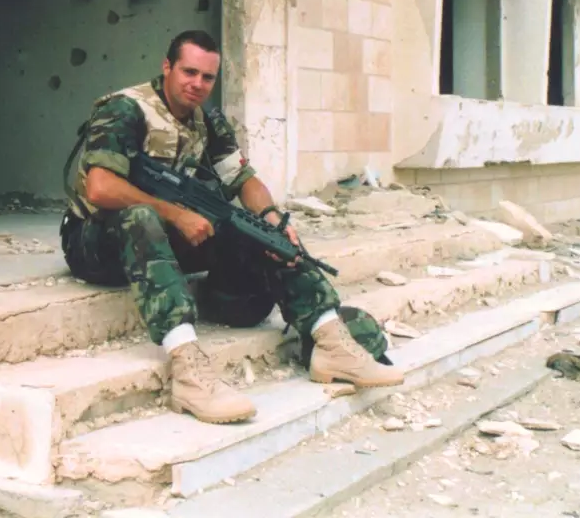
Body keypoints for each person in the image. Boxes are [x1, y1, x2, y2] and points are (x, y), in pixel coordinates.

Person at [60, 30, 403, 425]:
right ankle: (188, 370)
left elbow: (243, 180)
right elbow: (99, 187)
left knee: (256, 230)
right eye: (189, 72)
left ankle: (329, 339)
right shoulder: (126, 109)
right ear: (167, 67)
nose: (197, 85)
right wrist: (174, 213)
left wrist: (274, 220)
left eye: (207, 77)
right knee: (142, 216)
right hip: (94, 241)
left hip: (163, 236)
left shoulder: (207, 121)